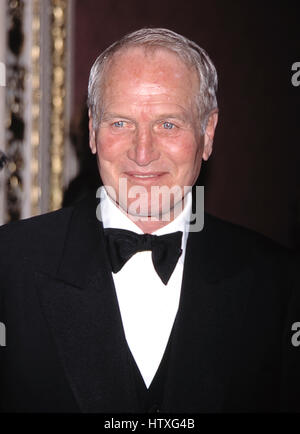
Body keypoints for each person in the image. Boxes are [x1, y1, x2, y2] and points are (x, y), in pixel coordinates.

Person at [0, 28, 299, 413]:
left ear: (208, 133)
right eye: (120, 123)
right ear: (92, 131)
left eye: (168, 124)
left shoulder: (278, 284)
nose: (142, 153)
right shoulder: (8, 266)